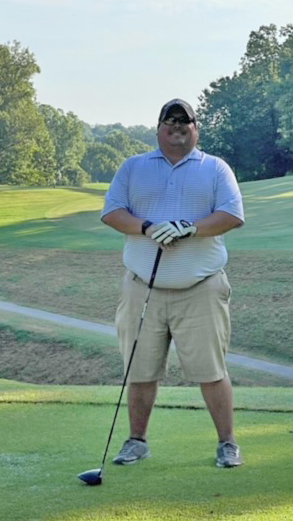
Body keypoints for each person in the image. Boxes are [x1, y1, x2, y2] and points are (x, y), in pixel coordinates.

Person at [100, 98, 245, 468]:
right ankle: (136, 442)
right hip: (142, 286)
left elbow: (231, 215)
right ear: (159, 127)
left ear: (196, 127)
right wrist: (147, 227)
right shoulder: (134, 167)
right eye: (170, 120)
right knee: (140, 370)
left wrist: (191, 227)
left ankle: (228, 444)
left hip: (201, 288)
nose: (177, 127)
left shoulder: (215, 168)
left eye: (185, 121)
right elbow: (113, 213)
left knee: (212, 371)